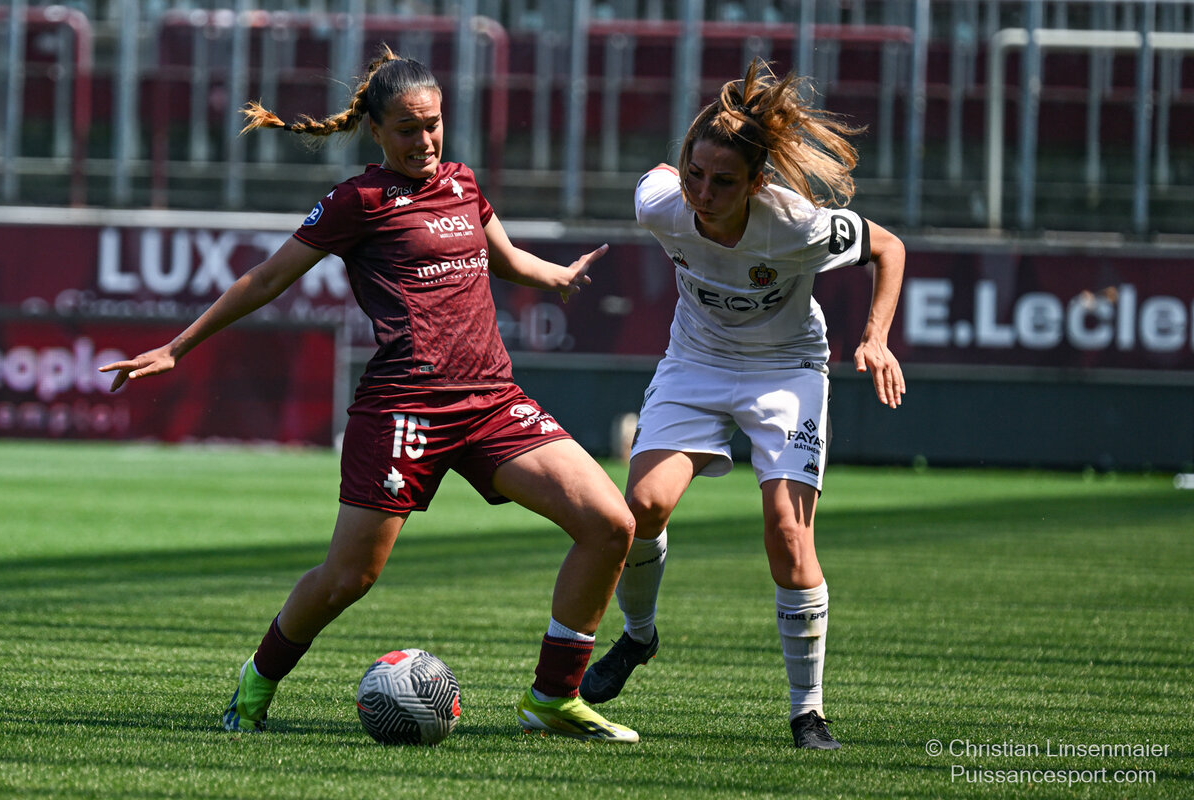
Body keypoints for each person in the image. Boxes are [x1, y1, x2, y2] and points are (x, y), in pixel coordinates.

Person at [99, 46, 641, 743]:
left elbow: (503, 259)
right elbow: (266, 280)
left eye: (433, 124)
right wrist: (177, 347)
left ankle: (553, 698)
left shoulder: (463, 184)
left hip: (491, 400)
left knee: (610, 524)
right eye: (408, 129)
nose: (424, 141)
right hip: (403, 410)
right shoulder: (357, 202)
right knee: (348, 579)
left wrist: (557, 276)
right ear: (377, 131)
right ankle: (257, 679)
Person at [577, 60, 906, 750]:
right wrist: (679, 176)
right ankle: (638, 637)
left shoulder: (797, 225)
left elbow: (889, 247)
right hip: (695, 363)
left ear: (757, 182)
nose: (703, 193)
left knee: (787, 532)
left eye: (723, 182)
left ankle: (808, 713)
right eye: (694, 174)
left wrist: (875, 338)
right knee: (641, 509)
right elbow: (659, 179)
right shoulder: (661, 204)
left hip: (787, 371)